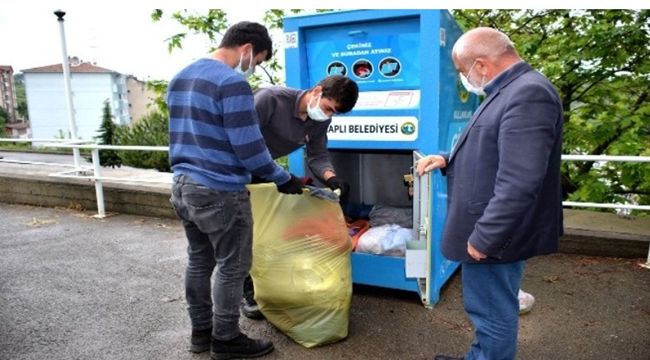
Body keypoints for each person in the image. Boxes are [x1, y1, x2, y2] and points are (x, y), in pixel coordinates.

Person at [416, 27, 563, 360]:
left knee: (492, 314)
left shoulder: (528, 94)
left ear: (480, 65)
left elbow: (520, 180)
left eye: (461, 70)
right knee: (487, 309)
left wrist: (485, 237)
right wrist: (447, 159)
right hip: (491, 230)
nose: (463, 78)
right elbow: (496, 151)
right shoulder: (511, 89)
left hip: (494, 235)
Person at [167, 21, 304, 360]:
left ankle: (201, 333)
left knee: (199, 261)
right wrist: (281, 178)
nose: (253, 66)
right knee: (233, 266)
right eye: (257, 60)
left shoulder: (180, 77)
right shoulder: (232, 83)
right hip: (220, 190)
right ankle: (226, 338)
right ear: (246, 49)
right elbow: (249, 148)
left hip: (183, 186)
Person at [240, 75, 359, 319]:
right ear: (317, 91)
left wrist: (331, 178)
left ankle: (267, 284)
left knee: (266, 233)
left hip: (265, 171)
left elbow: (317, 155)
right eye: (328, 108)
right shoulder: (269, 100)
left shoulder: (319, 120)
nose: (328, 116)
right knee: (242, 233)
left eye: (334, 114)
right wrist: (279, 176)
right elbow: (242, 141)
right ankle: (246, 291)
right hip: (235, 170)